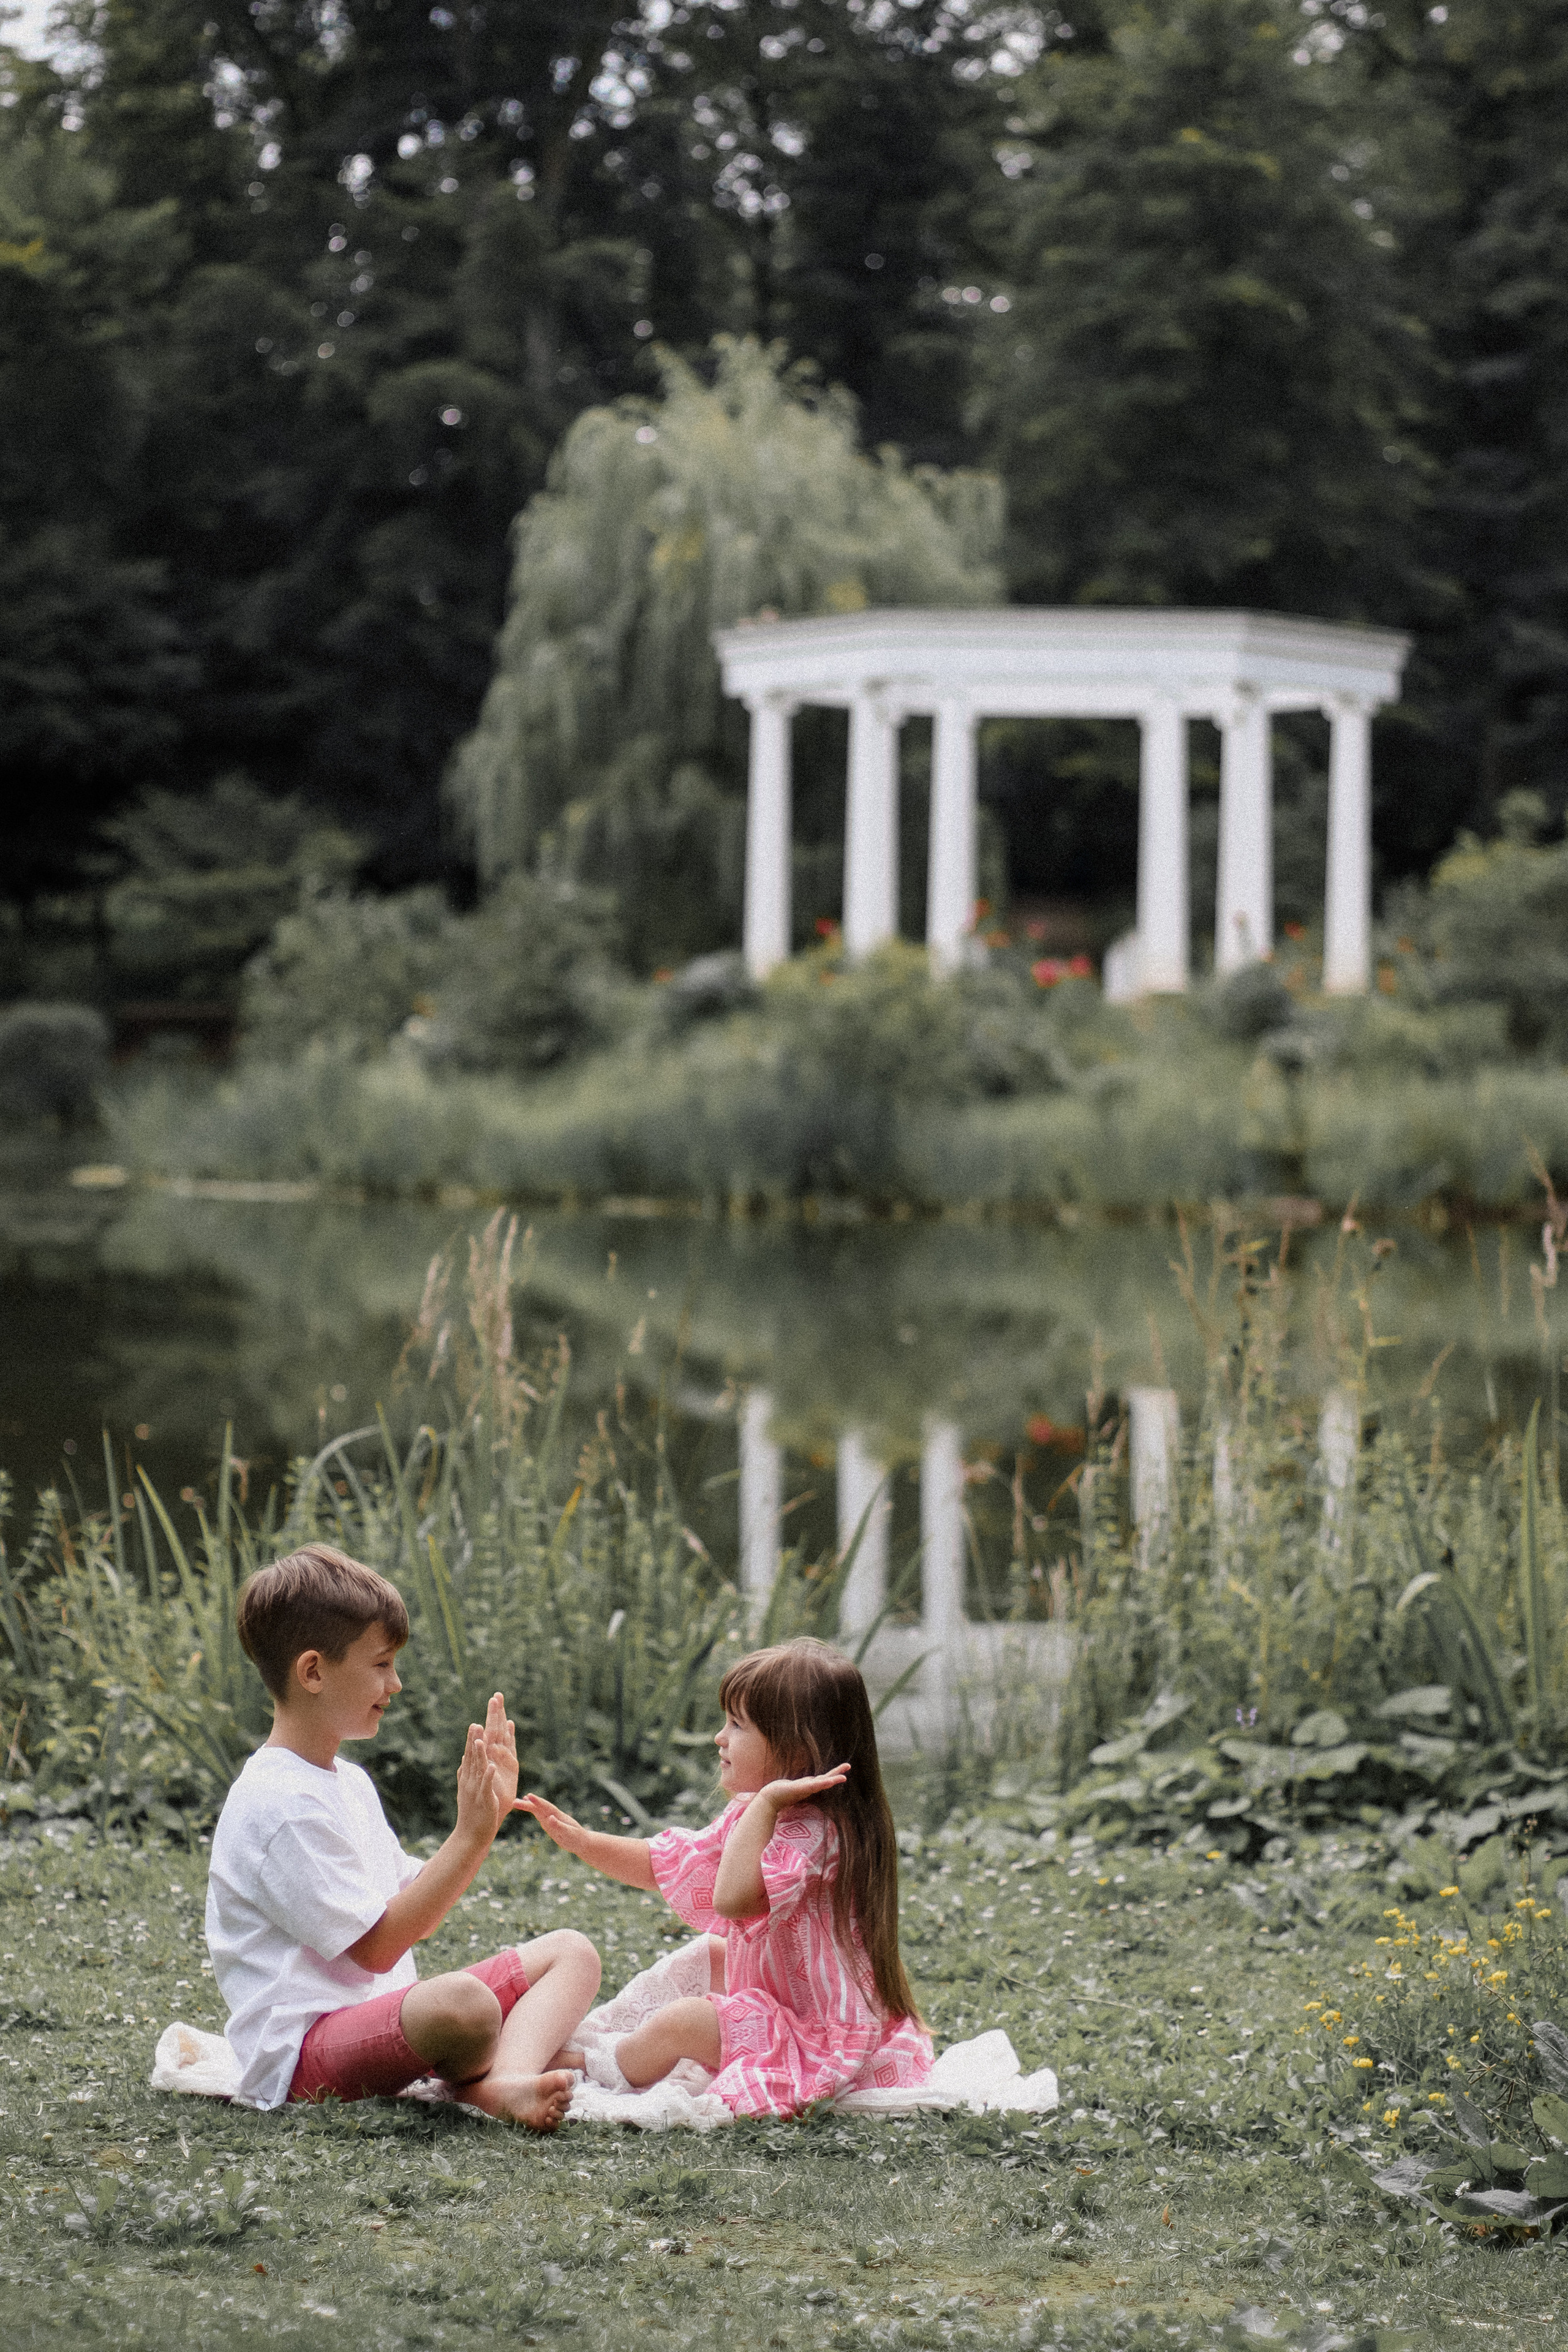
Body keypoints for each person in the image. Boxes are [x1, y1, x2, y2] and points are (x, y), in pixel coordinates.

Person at [205, 1543, 599, 2124]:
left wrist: (484, 1824)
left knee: (573, 1952)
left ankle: (503, 2078)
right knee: (466, 2006)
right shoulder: (278, 1805)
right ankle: (494, 2076)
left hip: (384, 2016)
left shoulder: (349, 1781)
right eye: (381, 1663)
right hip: (304, 2056)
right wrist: (467, 1836)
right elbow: (378, 1946)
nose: (396, 1684)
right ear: (313, 1671)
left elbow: (410, 1896)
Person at [519, 1635, 931, 2116]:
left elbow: (733, 1900)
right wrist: (584, 1842)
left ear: (797, 1753)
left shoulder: (817, 1835)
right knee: (707, 1955)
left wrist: (767, 1801)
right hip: (780, 2002)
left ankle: (591, 2061)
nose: (720, 1737)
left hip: (817, 2037)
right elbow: (667, 1863)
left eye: (738, 1725)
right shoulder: (752, 1815)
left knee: (686, 2022)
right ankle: (613, 2031)